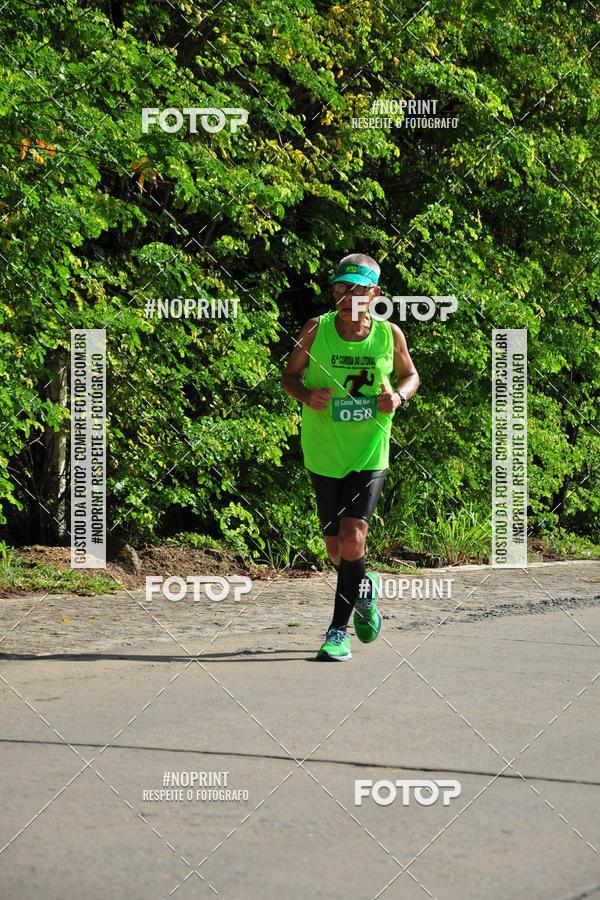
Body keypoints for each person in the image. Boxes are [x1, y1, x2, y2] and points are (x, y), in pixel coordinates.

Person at [282, 253, 420, 660]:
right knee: (336, 551)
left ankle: (336, 633)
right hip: (324, 451)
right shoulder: (315, 330)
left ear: (374, 294)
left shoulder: (389, 335)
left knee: (352, 535)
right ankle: (364, 588)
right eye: (340, 288)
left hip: (369, 451)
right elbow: (289, 377)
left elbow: (410, 376)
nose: (346, 296)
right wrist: (307, 394)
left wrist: (397, 396)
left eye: (356, 289)